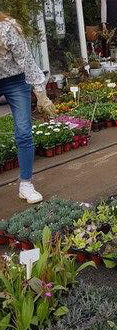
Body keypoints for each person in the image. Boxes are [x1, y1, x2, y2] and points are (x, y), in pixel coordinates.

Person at [0, 13, 55, 203]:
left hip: (15, 81)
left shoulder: (6, 29)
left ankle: (26, 184)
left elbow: (27, 60)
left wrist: (41, 94)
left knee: (23, 131)